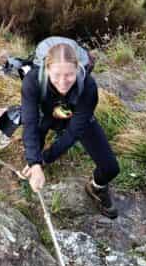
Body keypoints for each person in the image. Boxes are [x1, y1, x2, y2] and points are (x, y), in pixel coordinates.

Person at [20, 38, 120, 219]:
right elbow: (30, 123)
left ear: (77, 69)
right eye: (56, 75)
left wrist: (45, 159)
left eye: (69, 75)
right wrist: (34, 161)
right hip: (46, 114)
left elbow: (74, 131)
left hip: (76, 114)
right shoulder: (32, 81)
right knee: (33, 147)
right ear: (47, 69)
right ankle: (32, 164)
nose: (63, 82)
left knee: (111, 168)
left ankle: (96, 188)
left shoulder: (88, 86)